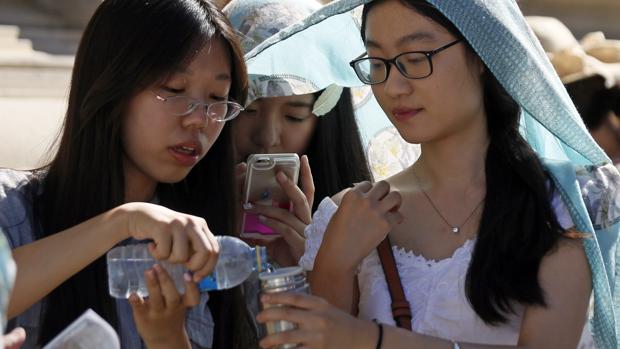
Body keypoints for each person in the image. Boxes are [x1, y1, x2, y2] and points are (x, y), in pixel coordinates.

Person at [243, 0, 620, 348]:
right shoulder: (350, 214)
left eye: (416, 56)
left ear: (483, 51)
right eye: (377, 63)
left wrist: (370, 339)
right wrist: (333, 266)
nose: (393, 86)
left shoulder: (564, 201)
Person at [0, 0, 256, 348]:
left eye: (217, 97)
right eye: (174, 90)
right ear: (111, 84)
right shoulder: (13, 211)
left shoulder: (199, 245)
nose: (200, 118)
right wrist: (122, 221)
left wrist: (167, 337)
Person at [224, 0, 372, 266]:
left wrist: (310, 267)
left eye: (294, 116)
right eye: (248, 109)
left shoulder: (359, 224)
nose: (267, 137)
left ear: (325, 122)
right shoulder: (169, 214)